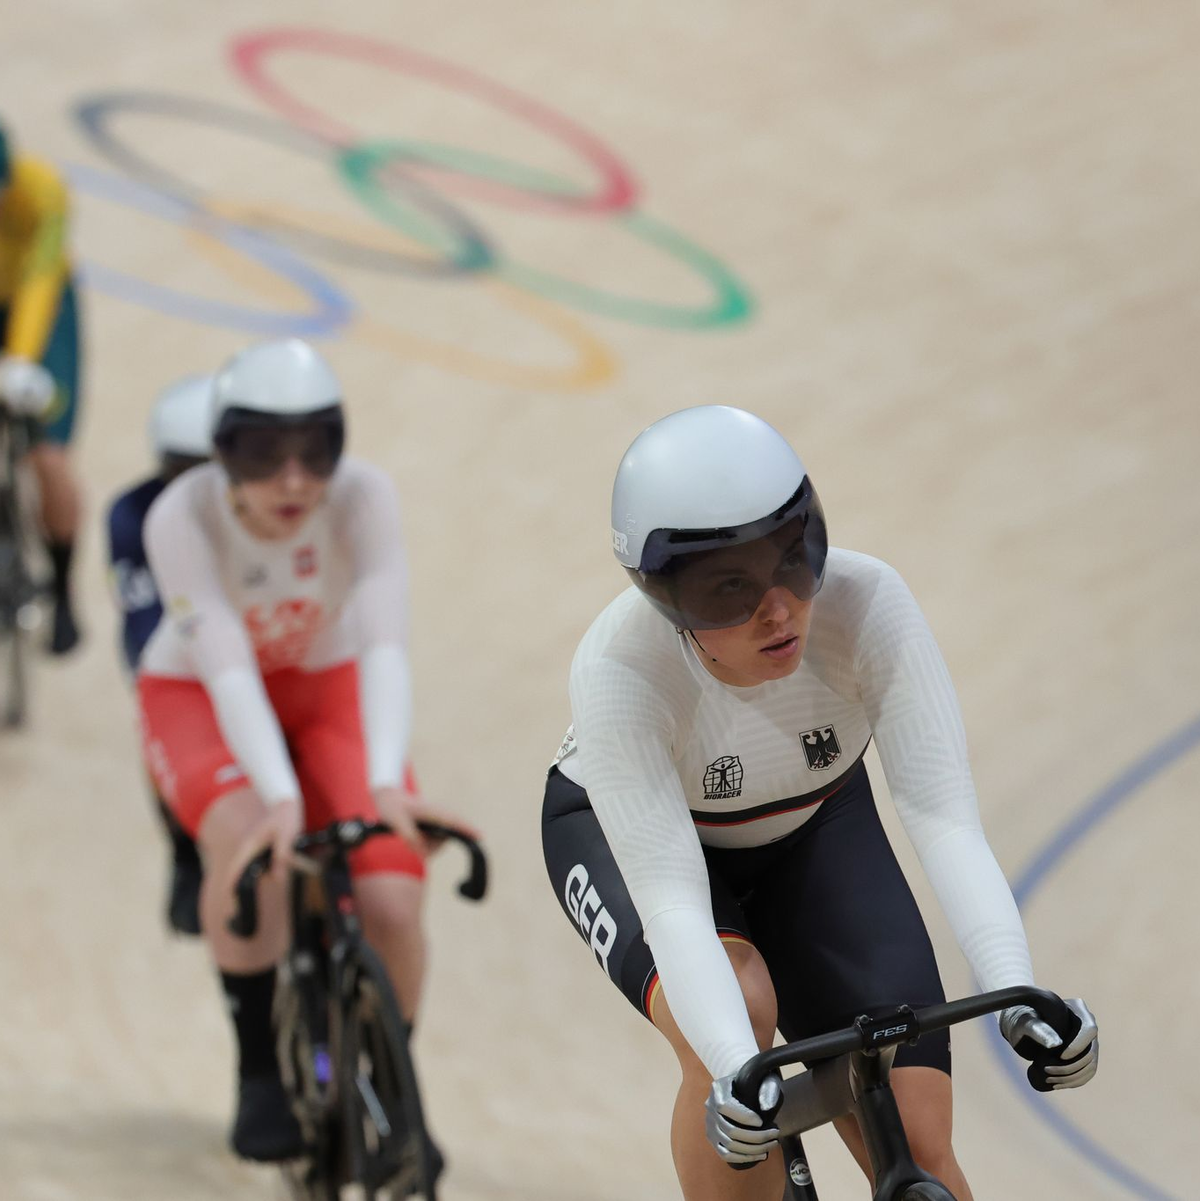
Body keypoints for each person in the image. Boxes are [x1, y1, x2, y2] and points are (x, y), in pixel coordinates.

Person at [542, 406, 1099, 1200]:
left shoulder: (869, 605)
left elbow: (943, 819)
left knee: (918, 1135)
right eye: (727, 589)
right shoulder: (620, 668)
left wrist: (1020, 992)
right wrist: (739, 1067)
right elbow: (670, 900)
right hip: (630, 836)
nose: (777, 608)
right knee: (735, 1017)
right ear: (664, 597)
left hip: (814, 825)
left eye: (794, 560)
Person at [136, 338, 465, 1166]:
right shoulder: (179, 515)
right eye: (262, 452)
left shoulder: (363, 496)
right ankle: (258, 1070)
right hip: (201, 695)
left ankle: (392, 1086)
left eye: (315, 449)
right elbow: (226, 666)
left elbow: (386, 644)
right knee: (254, 855)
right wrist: (281, 800)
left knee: (392, 890)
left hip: (328, 684)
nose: (292, 480)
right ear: (221, 452)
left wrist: (385, 783)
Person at [107, 373, 213, 935]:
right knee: (157, 728)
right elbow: (143, 628)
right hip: (171, 645)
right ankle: (184, 851)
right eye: (181, 470)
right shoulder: (131, 514)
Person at [0, 119, 85, 654]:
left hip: (42, 313)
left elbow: (39, 280)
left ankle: (63, 589)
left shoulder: (44, 189)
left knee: (48, 457)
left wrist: (21, 359)